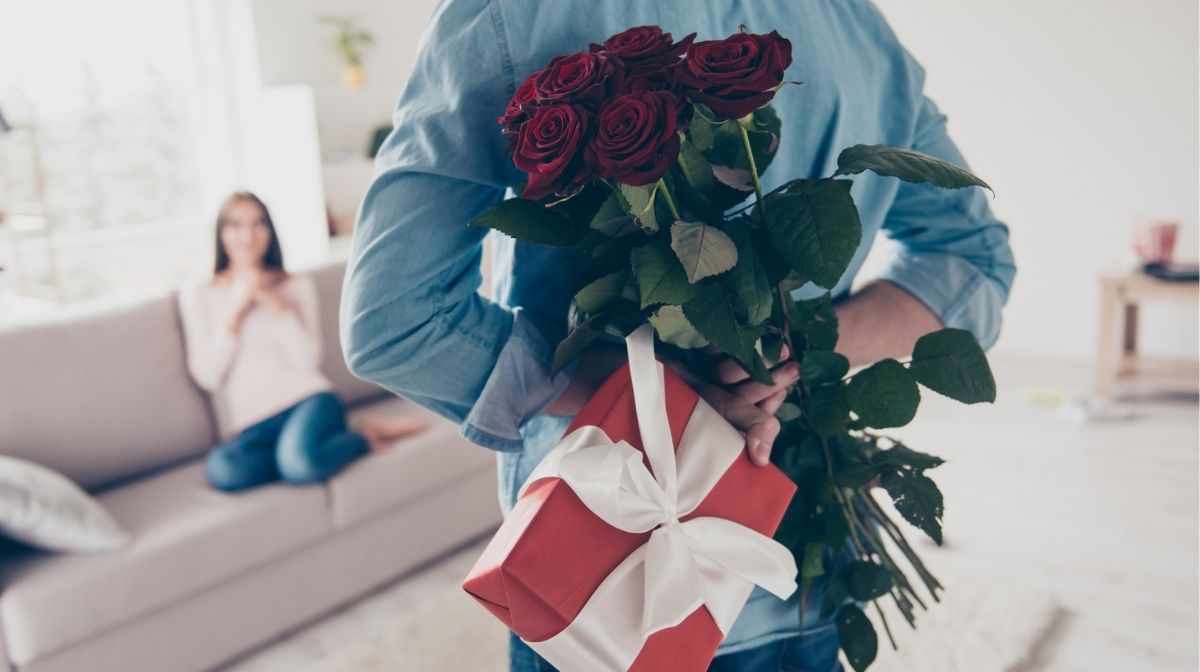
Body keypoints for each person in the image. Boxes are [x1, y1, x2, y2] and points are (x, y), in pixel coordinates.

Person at [341, 1, 1016, 670]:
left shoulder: (513, 15)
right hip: (796, 564)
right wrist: (791, 355)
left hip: (601, 582)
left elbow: (397, 321)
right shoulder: (853, 22)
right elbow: (973, 259)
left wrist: (669, 392)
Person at [179, 191, 428, 492]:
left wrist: (276, 304)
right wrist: (237, 308)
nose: (247, 235)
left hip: (308, 402)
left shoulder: (295, 285)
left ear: (270, 231)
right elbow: (208, 375)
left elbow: (307, 360)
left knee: (300, 465)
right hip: (253, 425)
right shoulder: (199, 294)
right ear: (221, 233)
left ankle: (357, 438)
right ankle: (325, 445)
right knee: (224, 471)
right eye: (235, 225)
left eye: (258, 224)